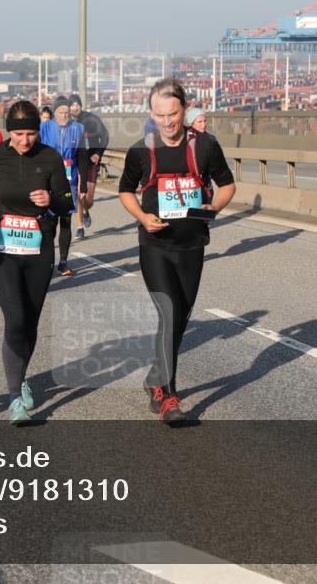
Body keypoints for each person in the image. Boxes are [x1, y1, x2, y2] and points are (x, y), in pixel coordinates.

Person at [118, 78, 236, 423]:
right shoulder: (141, 150)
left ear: (184, 110)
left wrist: (214, 208)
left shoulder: (205, 146)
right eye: (160, 115)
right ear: (150, 114)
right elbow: (125, 191)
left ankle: (155, 377)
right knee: (169, 314)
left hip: (192, 245)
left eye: (173, 114)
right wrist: (142, 217)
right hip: (155, 245)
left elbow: (227, 185)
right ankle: (168, 396)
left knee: (180, 317)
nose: (167, 122)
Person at [0, 100, 73, 424]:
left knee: (29, 321)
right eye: (18, 134)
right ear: (8, 132)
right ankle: (15, 397)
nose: (25, 140)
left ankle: (21, 376)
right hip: (2, 247)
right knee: (15, 318)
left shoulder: (50, 157)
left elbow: (67, 201)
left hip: (38, 247)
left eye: (30, 134)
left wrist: (51, 199)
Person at [39, 96, 83, 275]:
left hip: (69, 181)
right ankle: (47, 261)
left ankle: (63, 262)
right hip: (48, 182)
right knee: (49, 223)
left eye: (67, 112)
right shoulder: (43, 128)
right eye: (60, 112)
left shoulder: (78, 129)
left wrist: (83, 185)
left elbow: (81, 156)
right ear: (54, 113)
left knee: (66, 221)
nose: (64, 116)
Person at [68, 94, 109, 234]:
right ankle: (80, 227)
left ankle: (86, 210)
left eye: (77, 105)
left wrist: (98, 153)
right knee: (78, 193)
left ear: (81, 106)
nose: (75, 108)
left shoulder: (91, 119)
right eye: (72, 105)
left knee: (89, 200)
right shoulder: (66, 122)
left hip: (91, 162)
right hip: (76, 163)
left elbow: (105, 136)